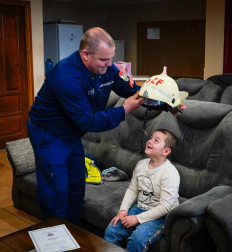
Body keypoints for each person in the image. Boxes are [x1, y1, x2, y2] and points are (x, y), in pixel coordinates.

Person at [27, 27, 145, 226]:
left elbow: (133, 89)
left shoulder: (107, 68)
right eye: (103, 60)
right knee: (56, 190)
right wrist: (124, 109)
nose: (110, 65)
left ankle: (73, 231)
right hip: (48, 134)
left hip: (71, 132)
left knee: (76, 184)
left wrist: (168, 102)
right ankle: (55, 238)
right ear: (85, 54)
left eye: (111, 59)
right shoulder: (66, 77)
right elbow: (88, 121)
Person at [104, 129, 180, 252]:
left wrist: (137, 219)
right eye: (150, 138)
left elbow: (165, 207)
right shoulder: (141, 164)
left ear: (166, 151)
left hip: (161, 215)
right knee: (112, 230)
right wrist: (123, 210)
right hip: (140, 207)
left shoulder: (170, 173)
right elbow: (133, 189)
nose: (149, 141)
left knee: (137, 239)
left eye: (156, 140)